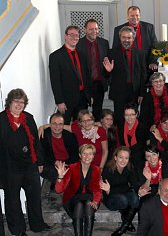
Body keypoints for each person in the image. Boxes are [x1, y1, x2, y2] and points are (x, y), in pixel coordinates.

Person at [0, 88, 50, 236]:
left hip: (30, 165)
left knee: (34, 197)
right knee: (13, 201)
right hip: (10, 168)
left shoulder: (28, 118)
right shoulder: (1, 120)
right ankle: (18, 230)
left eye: (22, 102)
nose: (19, 105)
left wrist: (39, 162)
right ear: (9, 102)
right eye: (16, 101)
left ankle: (37, 225)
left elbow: (36, 143)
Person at [55, 144, 102, 236]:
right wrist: (60, 177)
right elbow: (59, 190)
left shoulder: (97, 170)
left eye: (90, 154)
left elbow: (97, 189)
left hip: (90, 198)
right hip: (73, 199)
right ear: (80, 155)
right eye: (84, 153)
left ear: (93, 156)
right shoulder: (72, 168)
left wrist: (96, 201)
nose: (87, 156)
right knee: (79, 205)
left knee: (89, 204)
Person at [49, 25, 92, 124]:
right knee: (65, 127)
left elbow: (87, 76)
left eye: (77, 35)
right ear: (65, 36)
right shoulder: (56, 56)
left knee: (81, 127)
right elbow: (55, 80)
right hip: (66, 100)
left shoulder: (82, 55)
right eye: (71, 35)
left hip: (82, 99)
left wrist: (90, 95)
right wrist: (59, 101)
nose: (74, 37)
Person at [103, 26, 147, 123]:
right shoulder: (112, 53)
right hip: (119, 92)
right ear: (120, 38)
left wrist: (142, 93)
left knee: (133, 119)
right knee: (119, 119)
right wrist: (108, 71)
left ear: (133, 38)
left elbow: (143, 75)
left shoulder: (140, 54)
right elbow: (105, 76)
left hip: (135, 92)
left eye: (129, 38)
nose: (126, 40)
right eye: (123, 37)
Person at [100, 146, 143, 236]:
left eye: (126, 158)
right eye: (121, 157)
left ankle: (124, 226)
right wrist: (108, 190)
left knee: (136, 198)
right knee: (123, 200)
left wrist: (140, 191)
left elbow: (135, 184)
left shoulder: (129, 168)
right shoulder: (108, 169)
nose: (123, 160)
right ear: (115, 157)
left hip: (124, 193)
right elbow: (104, 193)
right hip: (110, 197)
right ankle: (126, 222)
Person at [77, 19, 110, 121]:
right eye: (91, 29)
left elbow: (107, 63)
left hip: (99, 84)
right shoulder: (78, 44)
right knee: (82, 113)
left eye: (96, 29)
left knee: (97, 112)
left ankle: (96, 135)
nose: (94, 31)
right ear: (85, 30)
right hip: (84, 85)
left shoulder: (104, 43)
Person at [112, 5, 158, 74]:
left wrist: (153, 61)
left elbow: (154, 46)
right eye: (132, 15)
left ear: (140, 15)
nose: (135, 18)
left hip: (146, 65)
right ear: (127, 16)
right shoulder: (118, 29)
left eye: (137, 15)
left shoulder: (149, 27)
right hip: (127, 66)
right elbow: (116, 49)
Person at [40, 113, 79, 184]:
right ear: (50, 124)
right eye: (54, 123)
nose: (57, 127)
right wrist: (55, 162)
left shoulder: (70, 137)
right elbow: (43, 154)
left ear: (63, 125)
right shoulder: (44, 136)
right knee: (45, 170)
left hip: (68, 162)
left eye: (60, 124)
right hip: (52, 162)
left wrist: (67, 165)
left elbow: (75, 154)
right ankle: (57, 184)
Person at [117, 103, 147, 168]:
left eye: (132, 115)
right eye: (127, 115)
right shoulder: (121, 126)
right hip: (125, 155)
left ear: (136, 114)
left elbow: (141, 146)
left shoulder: (141, 127)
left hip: (139, 156)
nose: (129, 117)